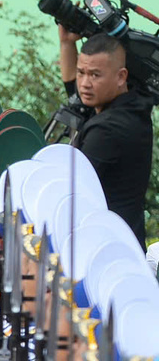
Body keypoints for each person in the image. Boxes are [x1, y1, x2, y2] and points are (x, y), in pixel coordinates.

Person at [59, 27, 152, 245]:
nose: (84, 84)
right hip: (123, 242)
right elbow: (77, 94)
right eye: (81, 72)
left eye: (95, 75)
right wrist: (66, 44)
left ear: (121, 77)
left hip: (108, 253)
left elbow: (68, 191)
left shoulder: (108, 131)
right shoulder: (131, 105)